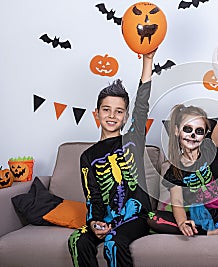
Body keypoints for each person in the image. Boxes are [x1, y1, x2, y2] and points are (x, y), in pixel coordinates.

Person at [68, 49, 156, 267]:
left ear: (126, 116)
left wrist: (148, 60)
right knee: (77, 240)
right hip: (105, 217)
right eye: (106, 109)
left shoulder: (132, 141)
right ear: (96, 113)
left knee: (113, 243)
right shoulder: (87, 157)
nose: (112, 115)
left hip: (135, 217)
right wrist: (95, 222)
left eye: (119, 111)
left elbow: (142, 106)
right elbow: (93, 197)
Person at [148, 91, 218, 236]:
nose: (193, 135)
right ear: (177, 131)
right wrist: (182, 223)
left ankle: (216, 227)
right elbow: (177, 203)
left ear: (205, 134)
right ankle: (211, 232)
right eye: (187, 129)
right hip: (195, 218)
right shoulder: (174, 170)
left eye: (199, 131)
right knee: (152, 217)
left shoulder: (209, 149)